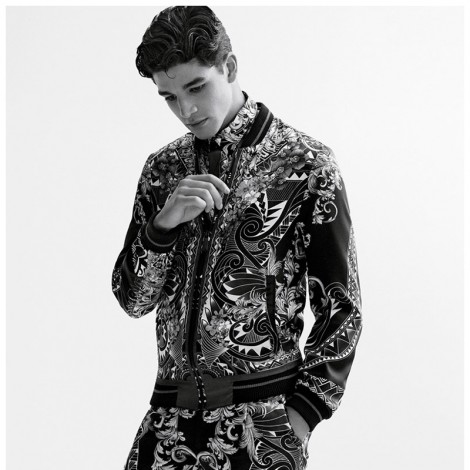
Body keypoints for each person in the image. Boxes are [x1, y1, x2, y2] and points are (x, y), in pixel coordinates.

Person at [111, 6, 363, 470]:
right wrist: (161, 228)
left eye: (196, 88)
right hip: (167, 421)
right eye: (168, 97)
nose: (185, 110)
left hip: (261, 426)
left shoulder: (306, 165)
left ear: (228, 67)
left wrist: (299, 419)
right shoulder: (162, 171)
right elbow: (133, 299)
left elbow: (342, 308)